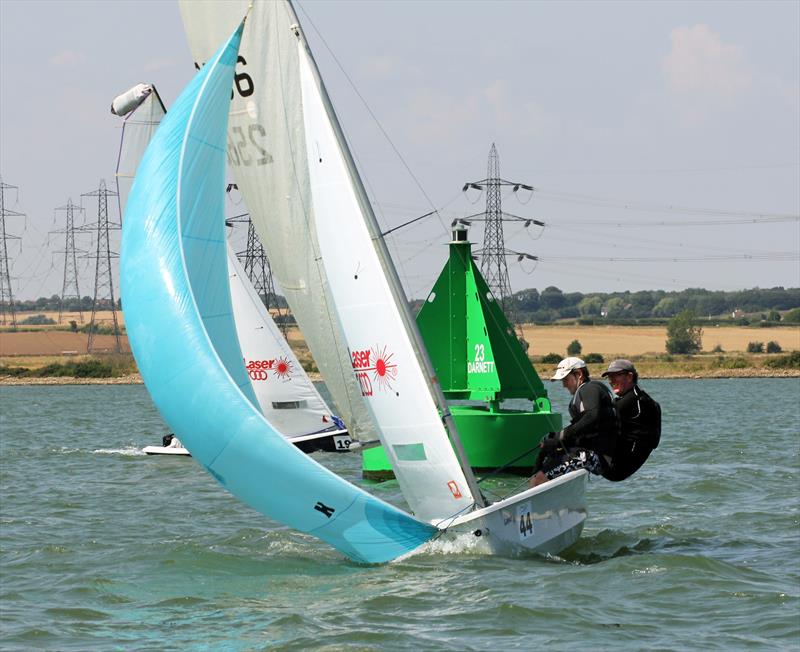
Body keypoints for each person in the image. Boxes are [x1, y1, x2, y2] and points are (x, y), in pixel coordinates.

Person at [531, 357, 618, 487]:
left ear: (579, 374)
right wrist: (555, 439)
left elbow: (592, 416)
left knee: (539, 479)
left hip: (598, 457)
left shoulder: (589, 389)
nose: (564, 384)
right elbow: (583, 429)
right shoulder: (585, 392)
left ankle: (532, 502)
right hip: (592, 454)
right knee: (545, 459)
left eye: (565, 379)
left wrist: (562, 435)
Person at [601, 359, 661, 481]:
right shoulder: (641, 398)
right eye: (609, 377)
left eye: (615, 376)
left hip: (616, 468)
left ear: (629, 377)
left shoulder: (633, 401)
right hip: (621, 466)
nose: (611, 381)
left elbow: (597, 420)